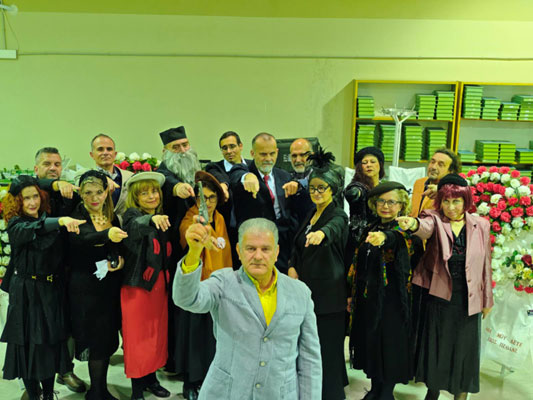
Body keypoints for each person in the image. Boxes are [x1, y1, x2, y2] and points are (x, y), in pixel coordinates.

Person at [173, 217, 322, 400]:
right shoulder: (223, 283)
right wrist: (194, 252)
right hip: (227, 394)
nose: (258, 256)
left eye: (265, 249)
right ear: (238, 251)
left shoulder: (300, 293)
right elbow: (186, 299)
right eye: (251, 249)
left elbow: (310, 359)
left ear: (277, 252)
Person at [397, 174, 493, 400]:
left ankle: (461, 396)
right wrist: (412, 224)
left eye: (456, 201)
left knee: (464, 352)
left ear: (465, 200)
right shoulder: (433, 217)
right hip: (439, 297)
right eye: (446, 201)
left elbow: (486, 265)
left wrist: (487, 300)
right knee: (437, 349)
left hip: (468, 299)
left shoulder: (481, 225)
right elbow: (424, 227)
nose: (451, 207)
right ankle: (432, 394)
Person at [0, 175, 86, 400]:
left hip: (50, 291)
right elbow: (36, 228)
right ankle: (33, 395)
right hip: (26, 292)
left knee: (49, 345)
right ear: (17, 201)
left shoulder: (48, 217)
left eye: (35, 196)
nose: (32, 202)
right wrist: (60, 221)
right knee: (27, 346)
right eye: (26, 198)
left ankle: (48, 395)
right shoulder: (16, 224)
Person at [288, 148, 348, 400]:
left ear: (333, 189)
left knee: (328, 349)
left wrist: (321, 234)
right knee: (311, 348)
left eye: (322, 188)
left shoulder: (338, 215)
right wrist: (292, 265)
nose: (316, 193)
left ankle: (331, 394)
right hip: (308, 293)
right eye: (313, 188)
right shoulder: (311, 213)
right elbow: (297, 245)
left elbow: (334, 228)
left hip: (329, 297)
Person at [348, 181, 415, 400]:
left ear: (401, 205)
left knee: (389, 347)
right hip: (370, 298)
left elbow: (396, 239)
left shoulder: (404, 229)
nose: (385, 206)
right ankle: (375, 389)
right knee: (373, 344)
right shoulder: (371, 227)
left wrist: (385, 238)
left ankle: (386, 393)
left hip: (393, 301)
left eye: (391, 202)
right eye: (381, 201)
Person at [67, 170, 128, 400]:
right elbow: (81, 240)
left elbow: (120, 249)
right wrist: (107, 235)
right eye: (88, 193)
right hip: (84, 290)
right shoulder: (76, 218)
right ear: (81, 194)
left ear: (106, 193)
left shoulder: (113, 217)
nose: (94, 198)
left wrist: (119, 261)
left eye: (99, 192)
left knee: (106, 340)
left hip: (108, 290)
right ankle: (96, 391)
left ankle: (99, 389)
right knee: (93, 341)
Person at [33, 147, 86, 395]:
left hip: (65, 269)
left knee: (67, 323)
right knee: (38, 326)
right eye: (47, 164)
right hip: (35, 272)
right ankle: (35, 376)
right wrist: (54, 185)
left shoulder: (68, 192)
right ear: (36, 168)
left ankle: (65, 370)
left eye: (57, 164)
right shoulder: (28, 189)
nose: (53, 168)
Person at [176, 171, 233, 399]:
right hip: (199, 288)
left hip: (220, 288)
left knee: (212, 338)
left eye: (211, 197)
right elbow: (189, 235)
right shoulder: (191, 218)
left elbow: (225, 252)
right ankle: (190, 382)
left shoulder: (220, 219)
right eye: (202, 198)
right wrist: (201, 238)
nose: (207, 202)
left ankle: (209, 379)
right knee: (195, 337)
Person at [121, 172, 173, 400]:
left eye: (154, 191)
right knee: (137, 338)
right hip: (137, 287)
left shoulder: (161, 215)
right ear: (135, 197)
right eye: (144, 193)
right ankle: (136, 389)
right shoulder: (132, 215)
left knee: (156, 335)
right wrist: (151, 220)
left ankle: (151, 379)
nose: (151, 196)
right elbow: (135, 227)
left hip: (159, 284)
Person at [230, 132, 299, 273]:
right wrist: (247, 177)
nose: (268, 158)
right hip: (254, 245)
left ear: (277, 152)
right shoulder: (244, 172)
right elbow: (236, 174)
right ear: (252, 153)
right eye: (263, 154)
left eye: (272, 154)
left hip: (281, 247)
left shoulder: (285, 176)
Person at [205, 131, 251, 267]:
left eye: (232, 146)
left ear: (240, 146)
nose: (229, 151)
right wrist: (223, 186)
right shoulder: (215, 167)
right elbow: (219, 176)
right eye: (224, 148)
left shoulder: (252, 166)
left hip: (251, 227)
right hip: (228, 230)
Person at [344, 146, 384, 270]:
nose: (369, 165)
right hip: (358, 239)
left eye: (373, 161)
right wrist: (353, 193)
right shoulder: (357, 186)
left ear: (380, 165)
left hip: (380, 237)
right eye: (364, 163)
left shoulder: (384, 187)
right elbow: (353, 192)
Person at [88, 134, 134, 220]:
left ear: (115, 154)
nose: (105, 153)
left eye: (109, 149)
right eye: (100, 149)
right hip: (98, 225)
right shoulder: (83, 175)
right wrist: (103, 178)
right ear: (92, 155)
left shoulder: (129, 176)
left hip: (124, 225)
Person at [410, 148, 461, 217]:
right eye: (432, 162)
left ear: (451, 171)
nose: (433, 167)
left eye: (440, 165)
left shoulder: (453, 191)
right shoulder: (419, 183)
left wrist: (442, 191)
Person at [288, 138, 315, 224]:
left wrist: (299, 184)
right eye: (294, 156)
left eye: (302, 155)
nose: (298, 160)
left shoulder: (323, 174)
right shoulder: (286, 177)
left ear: (312, 156)